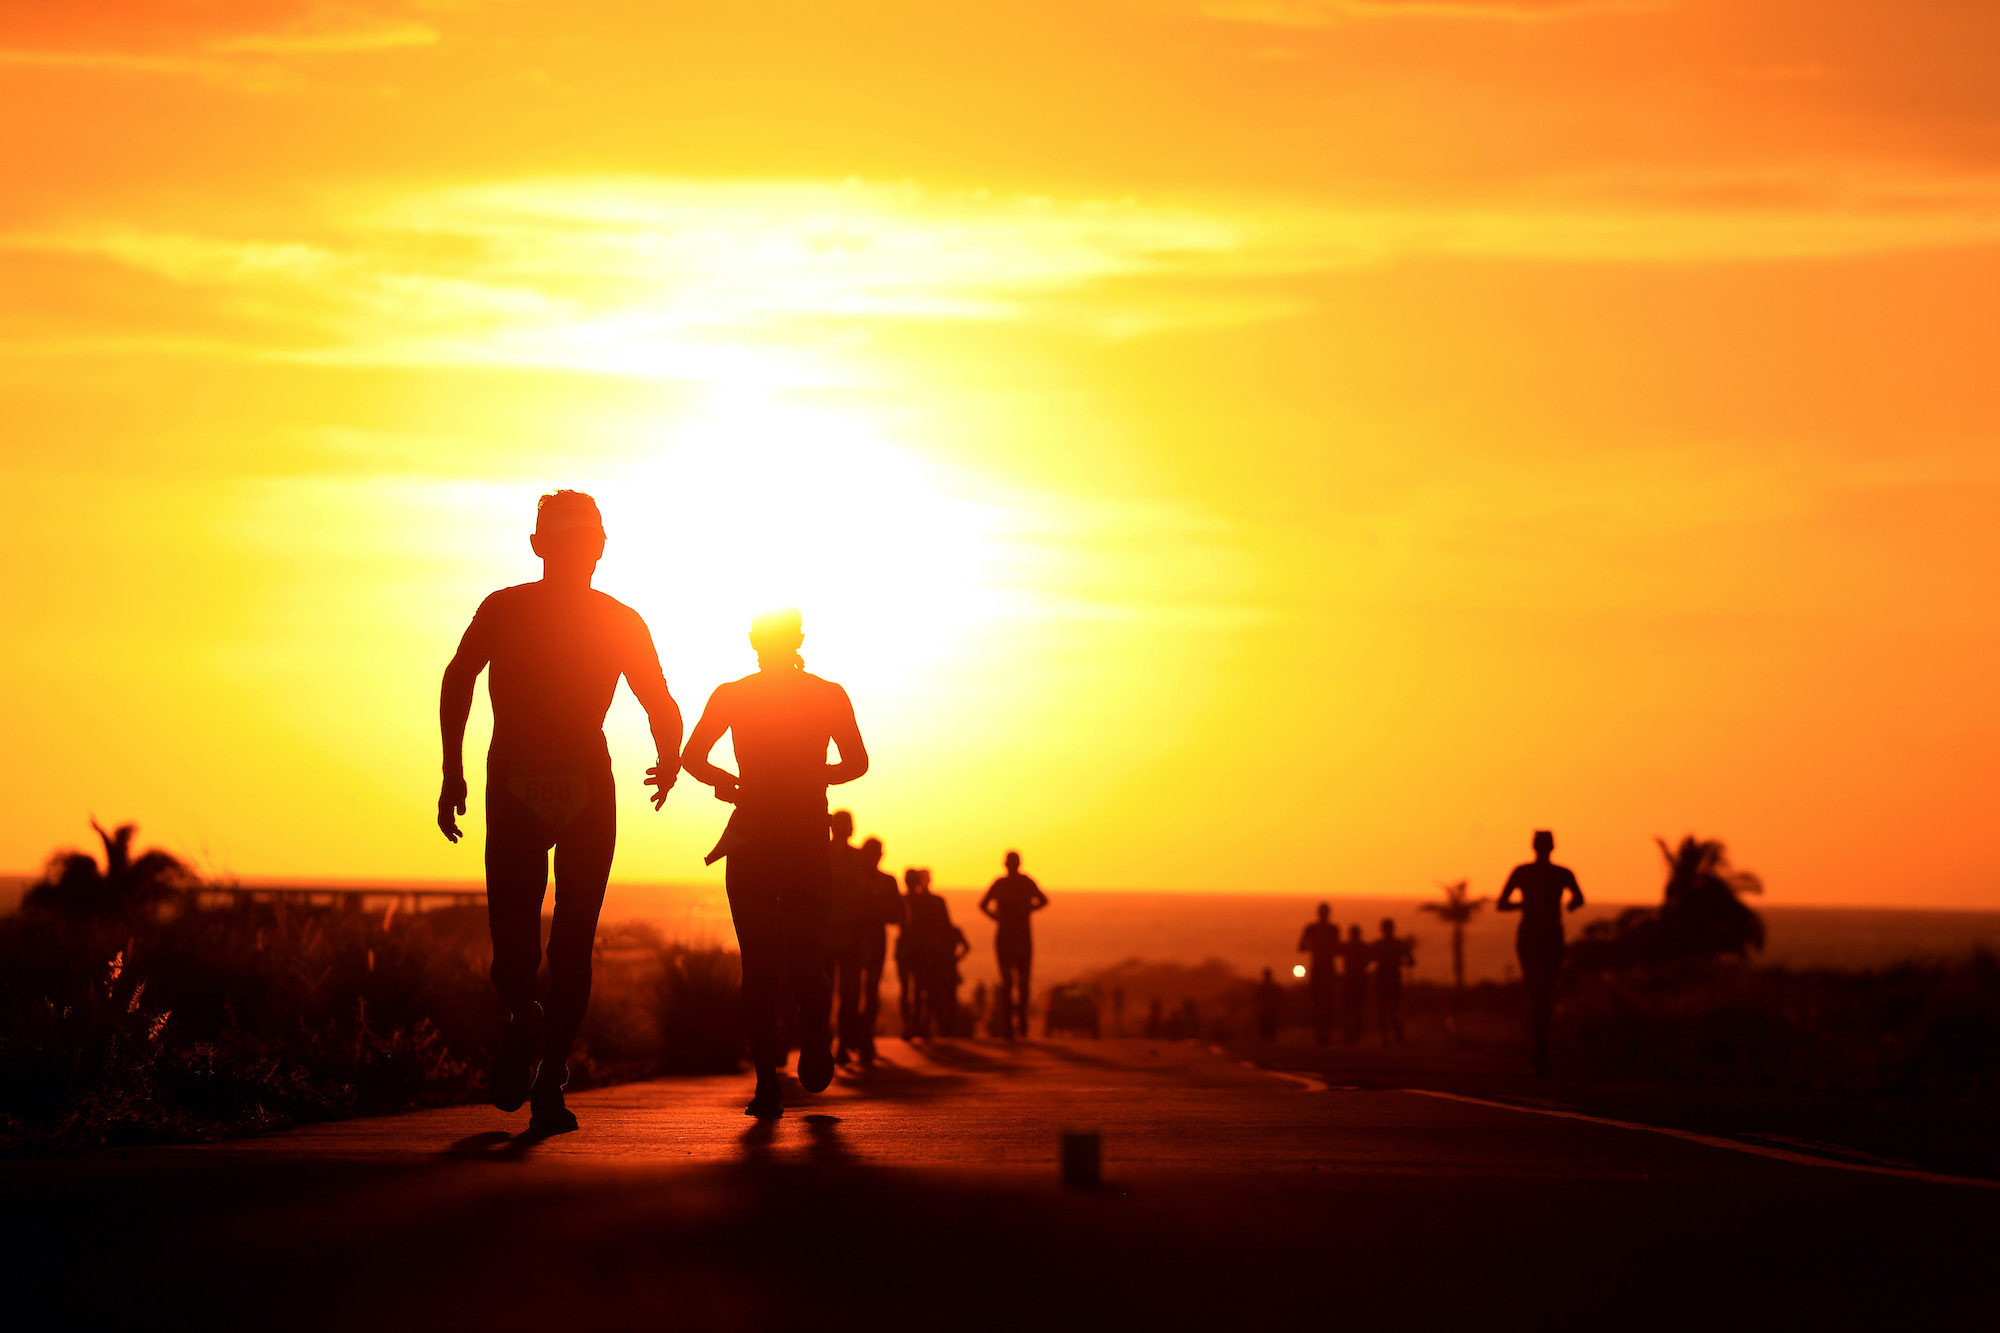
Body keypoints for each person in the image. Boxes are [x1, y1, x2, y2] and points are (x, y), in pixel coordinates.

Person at [437, 489, 682, 1137]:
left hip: (517, 780)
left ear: (542, 544)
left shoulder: (508, 607)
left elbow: (458, 677)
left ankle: (532, 1035)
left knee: (524, 943)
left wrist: (452, 769)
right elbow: (660, 702)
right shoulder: (616, 619)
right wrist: (669, 756)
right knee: (569, 943)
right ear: (582, 546)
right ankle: (547, 1072)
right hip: (581, 784)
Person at [681, 608, 868, 1118]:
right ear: (799, 639)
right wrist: (813, 776)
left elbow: (692, 757)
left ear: (753, 643)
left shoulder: (734, 695)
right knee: (796, 959)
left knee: (764, 964)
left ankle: (776, 1075)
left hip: (761, 834)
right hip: (797, 835)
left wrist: (730, 783)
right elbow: (856, 762)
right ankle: (795, 1055)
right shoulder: (826, 694)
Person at [1497, 829, 1584, 1076]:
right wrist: (1566, 905)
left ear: (1533, 847)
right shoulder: (1559, 873)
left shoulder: (1527, 872)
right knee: (1541, 994)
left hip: (1538, 936)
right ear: (1551, 847)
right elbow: (1578, 899)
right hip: (1543, 936)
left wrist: (1525, 904)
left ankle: (1539, 1050)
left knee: (1539, 994)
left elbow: (1502, 904)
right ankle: (1540, 1050)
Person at [978, 850, 1048, 1040]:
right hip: (1013, 936)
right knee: (1013, 981)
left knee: (1017, 981)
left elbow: (1043, 901)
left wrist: (1001, 916)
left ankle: (1017, 1021)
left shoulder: (1010, 883)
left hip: (1014, 936)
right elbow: (1043, 901)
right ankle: (1013, 1023)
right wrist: (1023, 910)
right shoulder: (1012, 883)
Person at [1297, 903, 1341, 1046]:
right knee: (1320, 1002)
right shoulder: (1319, 928)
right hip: (1322, 968)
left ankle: (1324, 1034)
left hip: (1324, 968)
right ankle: (1320, 1034)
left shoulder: (1328, 929)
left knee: (1324, 1002)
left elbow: (1301, 947)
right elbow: (1301, 947)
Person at [1371, 918, 1414, 1045]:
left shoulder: (1378, 945)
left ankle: (1388, 1036)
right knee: (1392, 1009)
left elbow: (1367, 961)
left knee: (1384, 1010)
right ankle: (1394, 1035)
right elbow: (1411, 962)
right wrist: (1399, 962)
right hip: (1392, 979)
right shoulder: (1398, 944)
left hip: (1385, 979)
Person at [895, 868, 927, 1034]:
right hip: (917, 947)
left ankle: (909, 1024)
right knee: (916, 988)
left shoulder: (901, 899)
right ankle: (913, 1024)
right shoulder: (923, 902)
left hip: (908, 947)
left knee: (908, 988)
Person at [1339, 924, 1372, 1045]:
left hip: (1350, 979)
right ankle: (1354, 1034)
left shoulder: (1346, 947)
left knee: (1350, 1009)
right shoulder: (1364, 947)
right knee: (1356, 1009)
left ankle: (1350, 1035)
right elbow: (1369, 960)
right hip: (1358, 979)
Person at [1255, 967, 1283, 1043]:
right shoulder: (1272, 987)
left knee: (1268, 1025)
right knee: (1268, 1025)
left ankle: (1267, 1040)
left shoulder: (1262, 987)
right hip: (1268, 1009)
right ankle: (1268, 1040)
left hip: (1268, 1009)